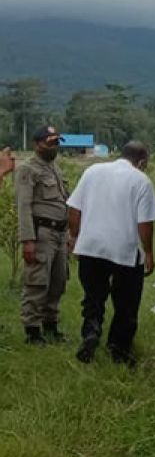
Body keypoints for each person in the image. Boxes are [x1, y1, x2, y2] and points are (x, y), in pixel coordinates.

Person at [67, 142, 155, 366]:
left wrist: (74, 236)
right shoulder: (141, 181)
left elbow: (74, 208)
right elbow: (145, 223)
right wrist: (148, 252)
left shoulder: (93, 171)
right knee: (126, 303)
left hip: (90, 247)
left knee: (93, 297)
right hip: (123, 251)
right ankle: (118, 350)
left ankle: (91, 332)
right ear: (142, 161)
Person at [15, 126, 70, 344]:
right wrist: (28, 240)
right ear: (38, 144)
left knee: (58, 282)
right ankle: (32, 331)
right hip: (41, 233)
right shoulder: (28, 169)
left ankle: (51, 326)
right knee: (37, 282)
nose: (55, 146)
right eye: (50, 142)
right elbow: (23, 206)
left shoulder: (55, 168)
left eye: (57, 142)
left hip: (60, 233)